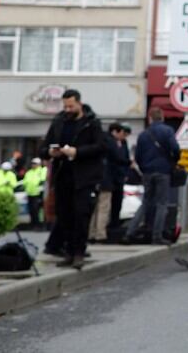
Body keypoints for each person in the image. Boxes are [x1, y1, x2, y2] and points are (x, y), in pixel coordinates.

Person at [40, 89, 108, 270]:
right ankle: (68, 252)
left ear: (79, 103)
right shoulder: (59, 122)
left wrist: (78, 152)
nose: (68, 109)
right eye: (65, 106)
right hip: (63, 175)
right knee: (65, 216)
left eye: (71, 106)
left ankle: (79, 252)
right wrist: (50, 152)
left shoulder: (91, 123)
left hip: (84, 177)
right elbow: (44, 147)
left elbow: (101, 147)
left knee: (81, 215)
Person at [132, 107, 180, 245]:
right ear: (162, 117)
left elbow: (138, 155)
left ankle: (130, 232)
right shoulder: (168, 131)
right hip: (163, 171)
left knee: (146, 202)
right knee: (161, 204)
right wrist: (173, 162)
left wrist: (143, 168)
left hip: (147, 172)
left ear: (150, 118)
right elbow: (175, 149)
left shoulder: (143, 134)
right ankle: (157, 236)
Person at [104, 123, 132, 237]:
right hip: (111, 176)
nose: (124, 137)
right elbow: (116, 157)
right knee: (109, 203)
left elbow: (125, 156)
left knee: (118, 202)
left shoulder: (124, 143)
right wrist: (128, 162)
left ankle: (115, 223)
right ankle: (109, 225)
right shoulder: (110, 142)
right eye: (123, 134)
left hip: (120, 176)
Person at [23, 157, 47, 230]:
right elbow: (25, 182)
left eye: (35, 163)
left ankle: (39, 225)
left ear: (39, 164)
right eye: (32, 163)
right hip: (30, 194)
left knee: (37, 210)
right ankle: (33, 225)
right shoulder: (29, 172)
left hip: (38, 194)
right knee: (32, 210)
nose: (33, 165)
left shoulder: (42, 171)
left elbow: (43, 181)